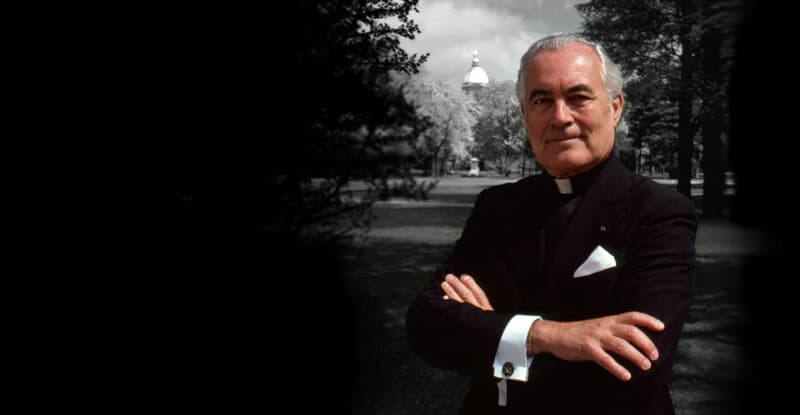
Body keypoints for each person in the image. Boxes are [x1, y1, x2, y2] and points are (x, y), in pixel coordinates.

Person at [406, 33, 697, 415]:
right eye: (542, 100)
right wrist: (550, 336)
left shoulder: (659, 212)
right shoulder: (496, 207)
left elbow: (632, 370)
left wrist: (491, 331)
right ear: (525, 115)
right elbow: (427, 327)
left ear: (615, 107)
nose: (560, 117)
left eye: (578, 97)